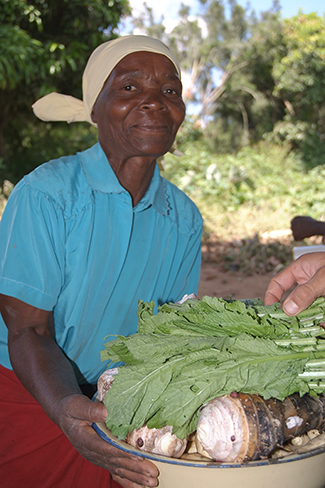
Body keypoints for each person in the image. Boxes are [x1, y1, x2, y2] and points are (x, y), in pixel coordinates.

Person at [0, 36, 203, 488]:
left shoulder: (183, 217)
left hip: (116, 407)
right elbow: (28, 331)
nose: (154, 102)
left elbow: (169, 331)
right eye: (130, 88)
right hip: (29, 397)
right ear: (95, 108)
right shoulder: (47, 195)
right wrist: (68, 411)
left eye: (170, 91)